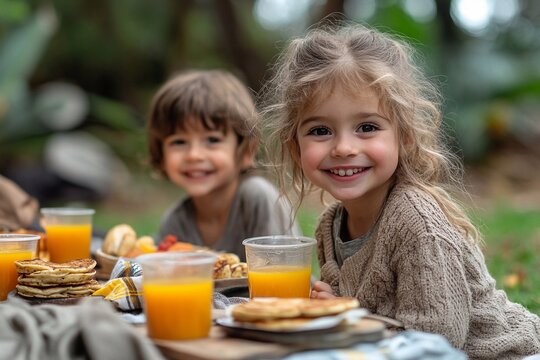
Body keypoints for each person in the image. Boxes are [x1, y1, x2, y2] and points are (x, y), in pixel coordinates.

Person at [261, 22, 540, 359]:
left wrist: (347, 316)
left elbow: (437, 338)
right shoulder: (329, 226)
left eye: (367, 127)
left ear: (404, 136)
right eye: (320, 130)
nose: (344, 148)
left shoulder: (415, 221)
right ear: (295, 148)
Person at [147, 70, 301, 261]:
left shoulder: (257, 198)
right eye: (179, 142)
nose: (194, 155)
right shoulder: (176, 221)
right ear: (161, 156)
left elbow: (281, 276)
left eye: (212, 140)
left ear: (246, 151)